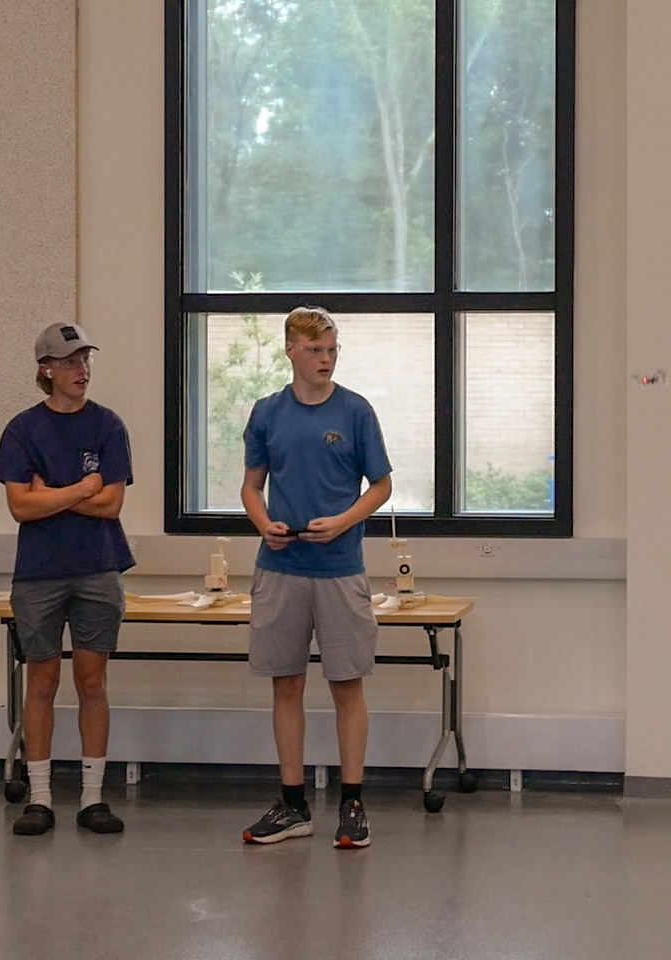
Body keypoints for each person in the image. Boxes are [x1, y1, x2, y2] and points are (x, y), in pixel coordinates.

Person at [240, 306, 392, 848]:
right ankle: (293, 804)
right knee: (287, 683)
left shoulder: (355, 412)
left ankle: (352, 802)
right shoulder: (267, 413)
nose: (325, 359)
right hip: (281, 567)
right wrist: (265, 526)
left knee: (346, 683)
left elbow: (381, 486)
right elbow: (251, 488)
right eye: (314, 351)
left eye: (331, 350)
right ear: (291, 352)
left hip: (339, 568)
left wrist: (344, 522)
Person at [0, 321, 135, 837]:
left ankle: (93, 797)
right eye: (71, 362)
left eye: (86, 360)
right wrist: (84, 487)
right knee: (42, 682)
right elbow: (20, 508)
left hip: (98, 569)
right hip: (39, 575)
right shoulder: (23, 429)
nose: (82, 370)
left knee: (92, 681)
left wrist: (53, 492)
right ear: (45, 369)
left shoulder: (108, 425)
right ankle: (42, 797)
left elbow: (112, 503)